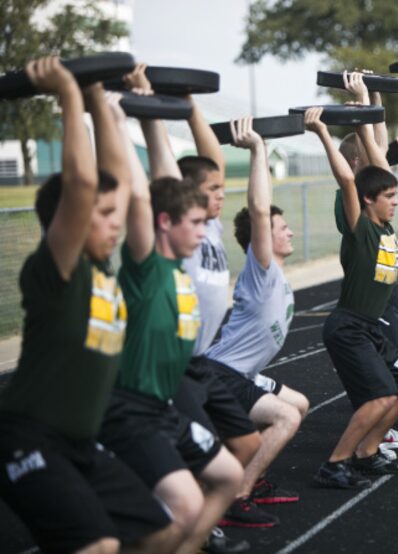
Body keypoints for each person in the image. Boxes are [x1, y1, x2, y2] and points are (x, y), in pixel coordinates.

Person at [0, 58, 177, 553]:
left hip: (80, 443)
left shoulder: (102, 269)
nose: (115, 222)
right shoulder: (58, 269)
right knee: (99, 546)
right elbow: (82, 185)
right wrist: (67, 94)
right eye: (101, 216)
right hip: (28, 437)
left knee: (162, 531)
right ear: (70, 222)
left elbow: (113, 179)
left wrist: (98, 96)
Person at [97, 83, 244, 552]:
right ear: (165, 224)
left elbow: (167, 184)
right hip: (129, 408)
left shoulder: (182, 266)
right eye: (196, 224)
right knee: (182, 505)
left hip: (163, 406)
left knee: (228, 474)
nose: (204, 232)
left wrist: (153, 111)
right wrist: (117, 120)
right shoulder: (148, 267)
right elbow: (140, 193)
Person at [305, 83, 398, 487]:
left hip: (371, 328)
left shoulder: (385, 225)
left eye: (395, 195)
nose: (395, 201)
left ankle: (368, 452)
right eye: (388, 196)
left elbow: (377, 156)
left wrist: (371, 107)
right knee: (380, 396)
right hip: (349, 327)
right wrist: (323, 132)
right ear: (369, 199)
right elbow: (346, 176)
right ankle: (335, 463)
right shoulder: (360, 229)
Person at [194, 117, 309, 515]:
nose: (290, 232)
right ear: (264, 237)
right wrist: (259, 149)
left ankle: (244, 471)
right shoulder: (261, 270)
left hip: (239, 372)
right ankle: (238, 495)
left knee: (302, 404)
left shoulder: (274, 274)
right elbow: (259, 210)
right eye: (283, 227)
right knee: (286, 418)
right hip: (222, 372)